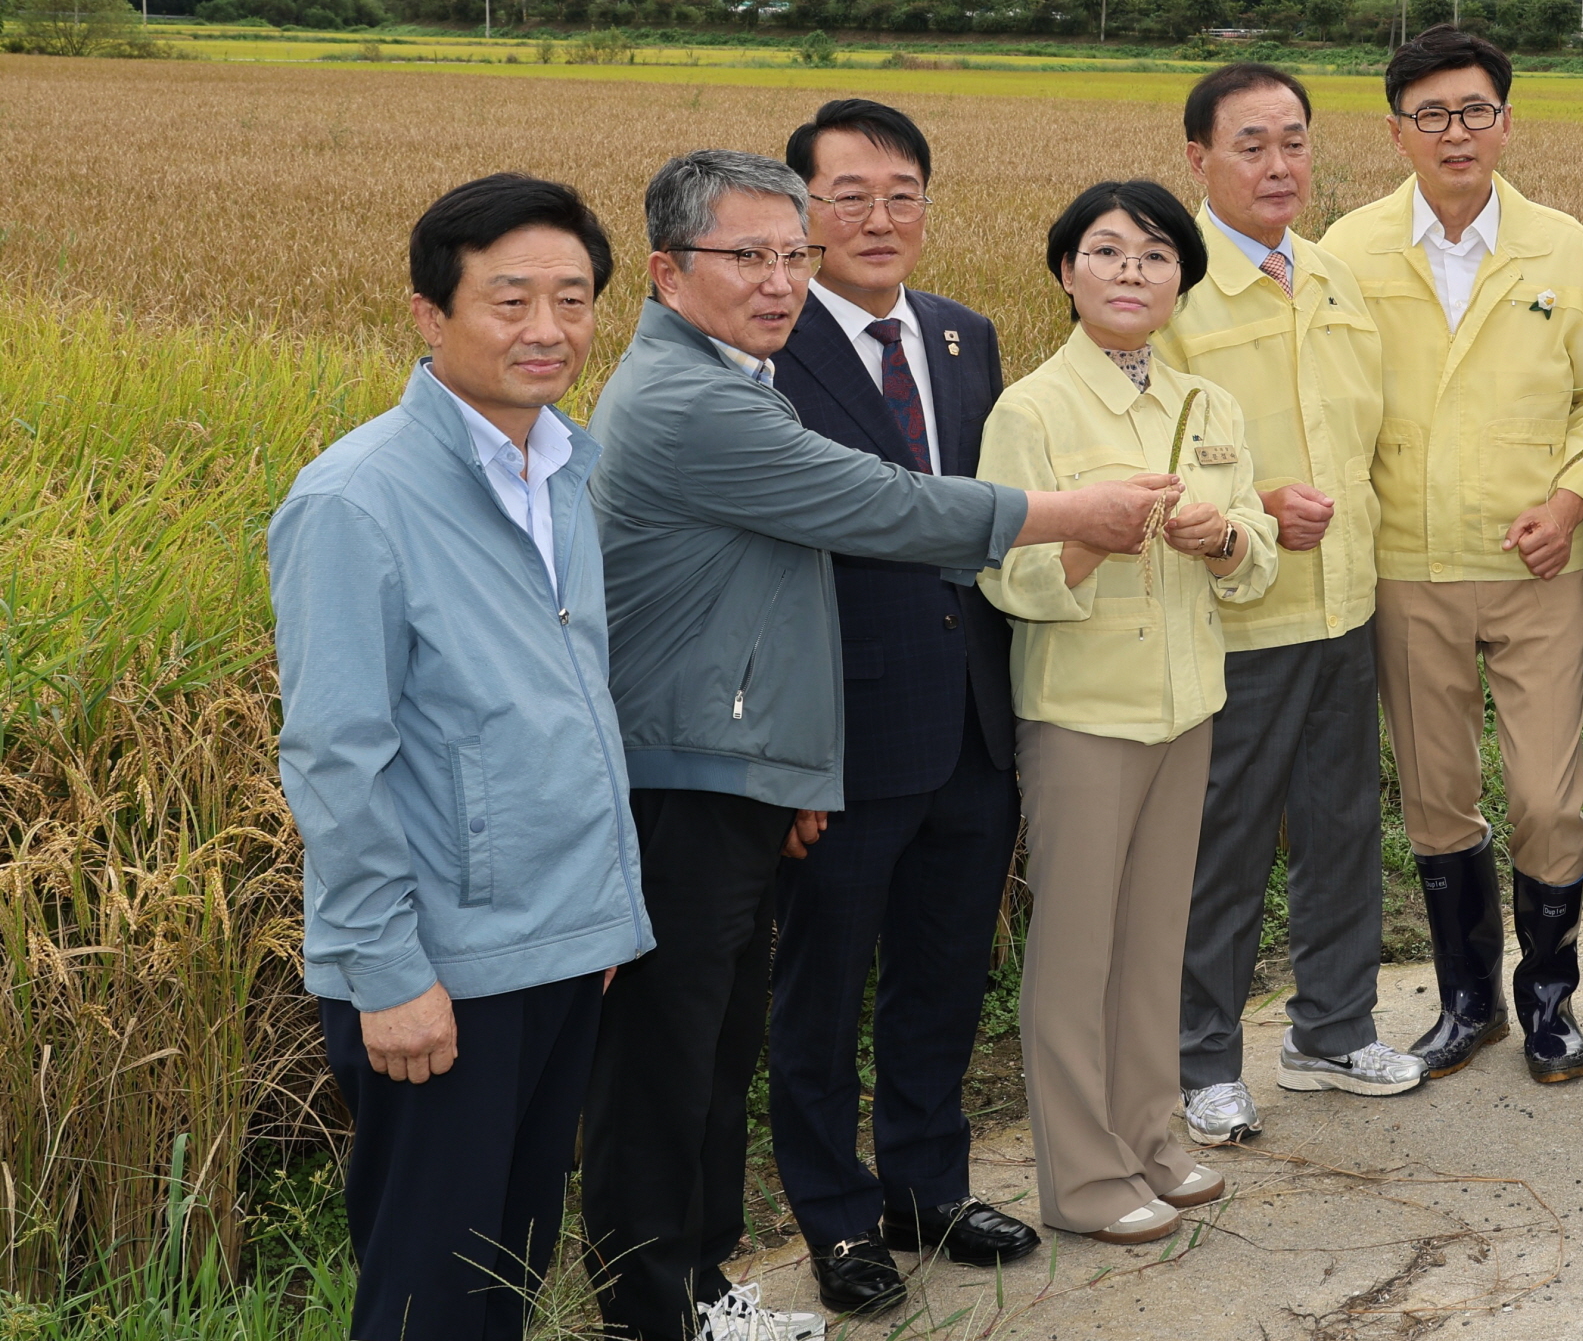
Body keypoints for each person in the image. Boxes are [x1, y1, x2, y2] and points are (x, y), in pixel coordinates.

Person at [580, 150, 1172, 1341]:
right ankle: (660, 1308)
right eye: (750, 255)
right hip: (684, 773)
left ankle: (705, 1291)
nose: (781, 278)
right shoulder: (694, 398)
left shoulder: (751, 370)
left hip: (755, 757)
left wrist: (787, 764)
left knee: (716, 1044)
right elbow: (878, 504)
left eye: (792, 254)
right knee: (672, 1059)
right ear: (666, 270)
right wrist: (1068, 514)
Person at [271, 174, 650, 1341]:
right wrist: (384, 968)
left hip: (553, 937)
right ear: (431, 315)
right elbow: (336, 756)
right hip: (437, 963)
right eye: (511, 298)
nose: (549, 329)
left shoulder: (562, 467)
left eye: (575, 298)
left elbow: (571, 705)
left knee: (510, 1261)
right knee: (428, 1288)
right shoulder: (355, 498)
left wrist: (594, 918)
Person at [765, 101, 1037, 1315]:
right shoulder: (767, 353)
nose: (880, 218)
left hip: (975, 721)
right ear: (801, 211)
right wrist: (789, 758)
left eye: (904, 192)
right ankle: (834, 1215)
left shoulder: (966, 335)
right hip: (848, 735)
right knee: (822, 989)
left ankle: (926, 1185)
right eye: (849, 194)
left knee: (941, 972)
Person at [978, 180, 1281, 1244]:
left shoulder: (1209, 405)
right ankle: (1085, 1175)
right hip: (1081, 714)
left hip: (1186, 703)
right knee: (1073, 949)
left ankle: (1152, 1134)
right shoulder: (1032, 408)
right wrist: (1096, 536)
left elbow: (1256, 552)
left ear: (1180, 282)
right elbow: (1006, 577)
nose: (1130, 273)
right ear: (1065, 272)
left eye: (1155, 256)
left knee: (1154, 938)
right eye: (1105, 252)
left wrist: (1228, 541)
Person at [1319, 24, 1583, 1085]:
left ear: (1506, 119)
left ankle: (1550, 999)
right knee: (1437, 791)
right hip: (1404, 561)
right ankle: (1466, 1001)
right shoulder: (1345, 251)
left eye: (1476, 109)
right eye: (1432, 113)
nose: (1457, 132)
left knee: (1547, 793)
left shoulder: (1569, 247)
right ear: (1397, 129)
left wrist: (1573, 497)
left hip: (1538, 561)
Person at [1154, 64, 1426, 1153]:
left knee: (1341, 826)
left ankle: (1332, 1030)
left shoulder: (1333, 276)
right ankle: (1200, 1058)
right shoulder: (1171, 289)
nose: (1279, 164)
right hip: (1237, 617)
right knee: (1222, 843)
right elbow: (1135, 454)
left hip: (1343, 605)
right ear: (1199, 159)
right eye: (1252, 143)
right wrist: (1253, 502)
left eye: (1296, 143)